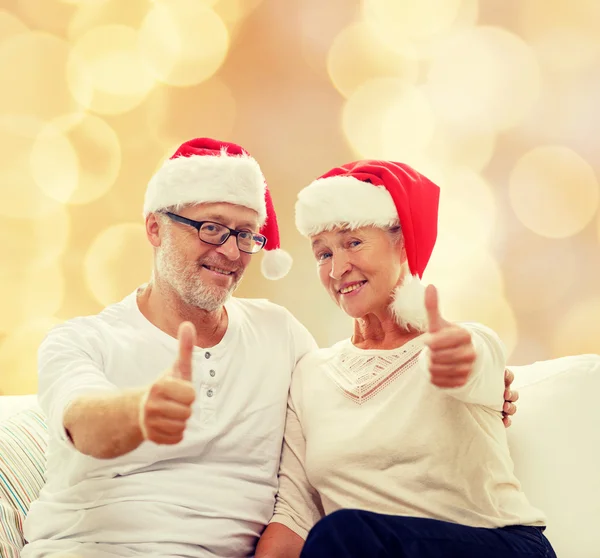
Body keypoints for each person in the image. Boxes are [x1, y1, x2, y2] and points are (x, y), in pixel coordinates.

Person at [22, 139, 519, 558]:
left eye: (245, 234)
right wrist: (140, 412)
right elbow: (80, 419)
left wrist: (480, 376)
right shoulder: (80, 340)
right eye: (211, 227)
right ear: (155, 227)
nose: (232, 251)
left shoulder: (280, 337)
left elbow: (462, 366)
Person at [256, 160, 556, 558]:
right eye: (323, 253)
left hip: (497, 546)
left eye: (353, 242)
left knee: (345, 533)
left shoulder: (463, 341)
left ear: (402, 243)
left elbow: (473, 363)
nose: (338, 268)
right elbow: (294, 515)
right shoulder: (311, 375)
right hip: (360, 548)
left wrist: (456, 356)